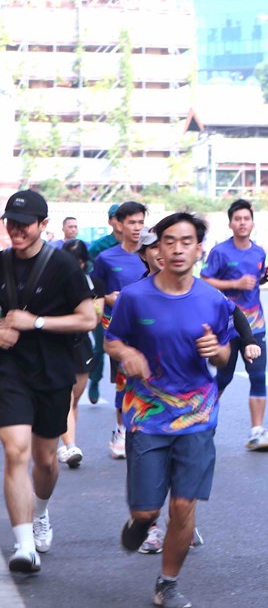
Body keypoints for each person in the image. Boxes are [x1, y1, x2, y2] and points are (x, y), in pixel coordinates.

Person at [105, 212, 235, 608]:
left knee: (183, 504)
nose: (177, 249)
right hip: (147, 416)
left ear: (198, 249)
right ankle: (141, 522)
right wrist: (127, 353)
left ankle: (168, 583)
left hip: (197, 416)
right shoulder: (134, 297)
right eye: (169, 241)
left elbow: (226, 353)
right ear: (157, 249)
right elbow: (112, 340)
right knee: (147, 510)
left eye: (186, 241)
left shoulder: (213, 300)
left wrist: (219, 351)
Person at [0, 190, 97, 573]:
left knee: (44, 460)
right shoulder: (0, 263)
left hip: (54, 371)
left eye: (25, 224)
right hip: (9, 371)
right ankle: (24, 545)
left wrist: (36, 323)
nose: (16, 230)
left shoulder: (63, 266)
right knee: (15, 451)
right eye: (11, 222)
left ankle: (40, 511)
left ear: (43, 225)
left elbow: (88, 319)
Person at [201, 199, 268, 452]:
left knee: (259, 376)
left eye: (246, 218)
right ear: (231, 223)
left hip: (255, 324)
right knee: (224, 376)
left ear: (252, 222)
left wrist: (263, 279)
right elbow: (205, 281)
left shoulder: (259, 252)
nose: (242, 223)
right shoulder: (220, 252)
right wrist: (235, 284)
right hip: (227, 324)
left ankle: (257, 431)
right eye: (237, 219)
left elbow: (253, 283)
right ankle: (203, 422)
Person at [92, 201, 148, 459]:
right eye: (132, 222)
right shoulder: (106, 258)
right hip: (118, 330)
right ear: (119, 224)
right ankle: (121, 430)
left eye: (140, 222)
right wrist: (107, 298)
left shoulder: (151, 254)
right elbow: (95, 292)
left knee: (149, 379)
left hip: (150, 329)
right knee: (124, 381)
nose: (137, 228)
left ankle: (148, 428)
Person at [56, 239, 105, 469]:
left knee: (74, 399)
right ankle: (70, 445)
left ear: (84, 263)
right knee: (65, 398)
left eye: (78, 262)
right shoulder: (52, 281)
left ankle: (66, 444)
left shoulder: (94, 284)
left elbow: (94, 319)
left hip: (83, 346)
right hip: (57, 345)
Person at [86, 203, 123, 405]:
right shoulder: (100, 247)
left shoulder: (137, 247)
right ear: (110, 221)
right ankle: (94, 381)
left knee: (123, 354)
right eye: (116, 218)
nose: (120, 222)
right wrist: (104, 296)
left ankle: (123, 395)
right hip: (104, 305)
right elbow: (88, 276)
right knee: (100, 348)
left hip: (128, 310)